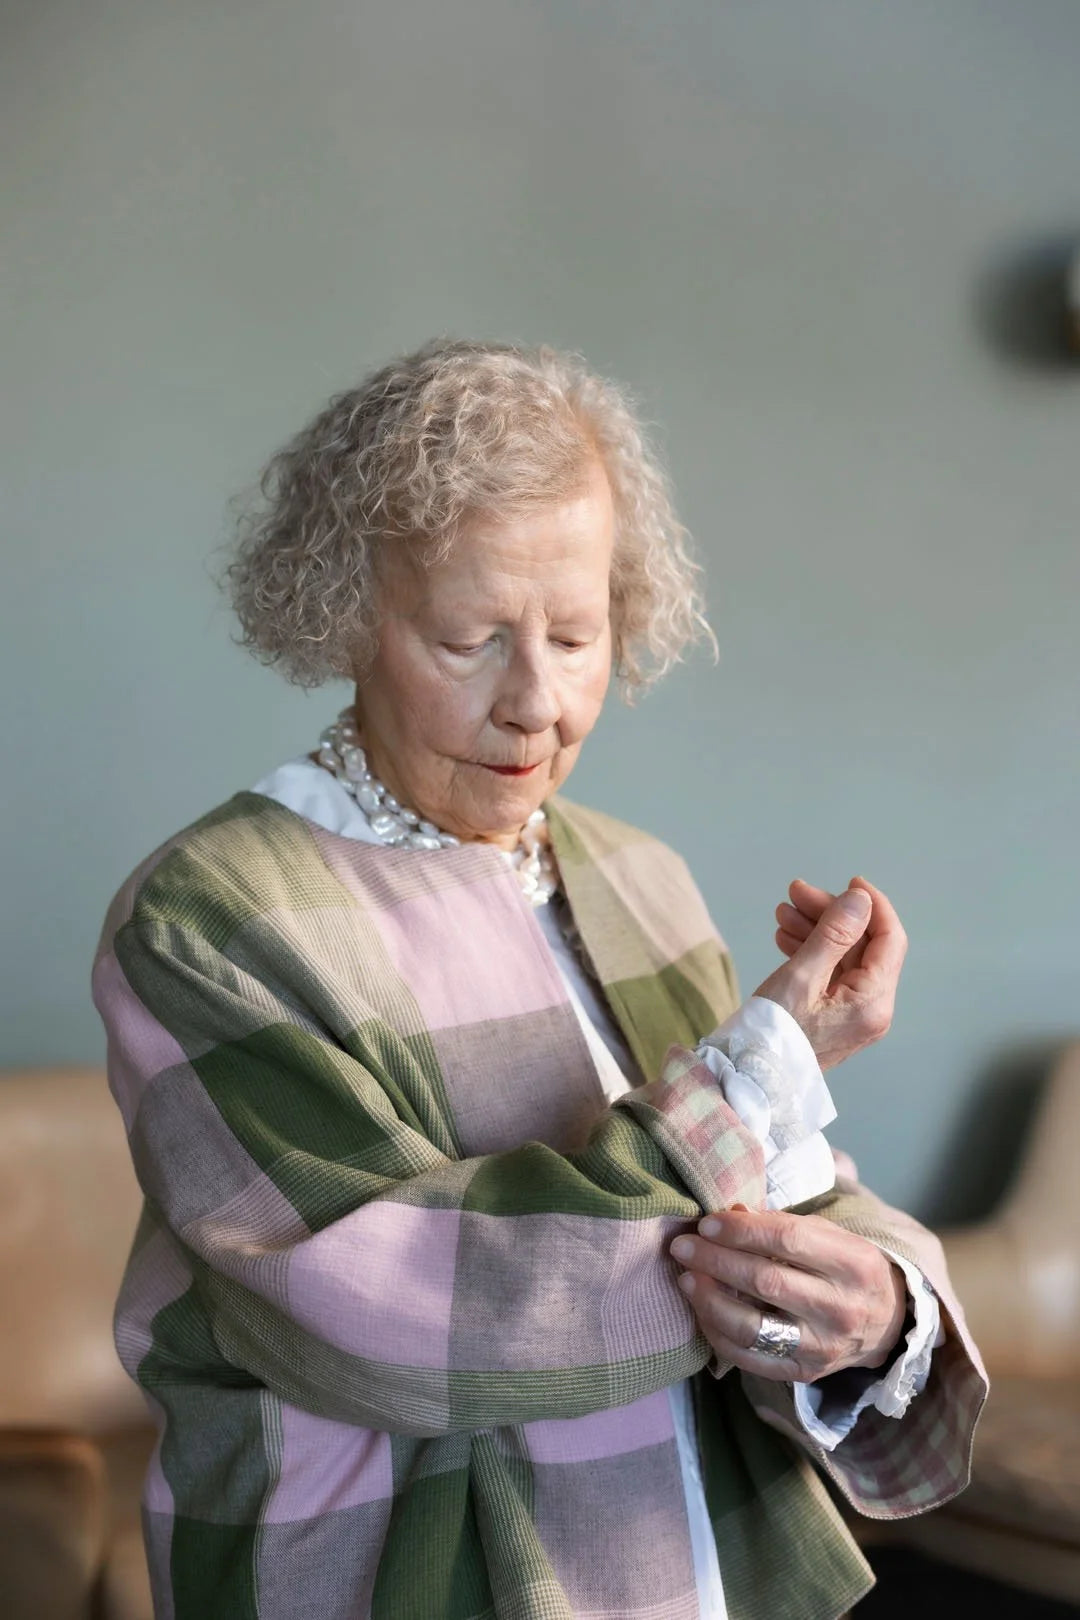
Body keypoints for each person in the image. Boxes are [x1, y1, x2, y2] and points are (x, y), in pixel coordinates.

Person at [93, 339, 986, 1620]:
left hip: (686, 1564)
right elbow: (385, 1311)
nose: (539, 704)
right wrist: (766, 1065)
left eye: (577, 635)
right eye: (470, 639)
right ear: (345, 610)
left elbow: (787, 1201)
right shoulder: (208, 917)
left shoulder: (639, 876)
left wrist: (872, 1308)